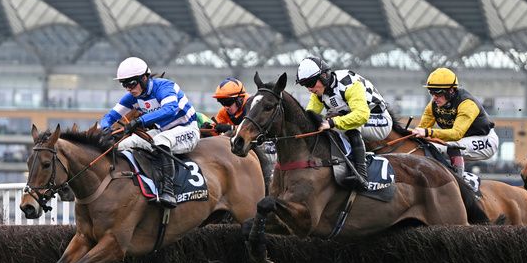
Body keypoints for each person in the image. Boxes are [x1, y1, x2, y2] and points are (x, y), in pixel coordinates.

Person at [98, 57, 199, 208]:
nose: (128, 88)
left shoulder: (164, 86)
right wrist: (105, 128)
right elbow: (110, 116)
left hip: (187, 130)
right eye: (124, 84)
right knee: (123, 145)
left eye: (131, 83)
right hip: (162, 131)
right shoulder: (132, 97)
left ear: (144, 78)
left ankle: (168, 191)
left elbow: (170, 109)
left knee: (162, 140)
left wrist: (140, 121)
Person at [296, 55, 392, 191]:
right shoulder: (319, 91)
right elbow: (309, 116)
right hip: (358, 118)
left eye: (310, 84)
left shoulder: (349, 84)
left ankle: (361, 176)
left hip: (379, 120)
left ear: (324, 76)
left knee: (348, 126)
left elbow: (361, 115)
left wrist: (332, 122)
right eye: (305, 85)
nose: (309, 89)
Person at [409, 68, 499, 176]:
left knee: (451, 146)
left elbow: (456, 134)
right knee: (424, 145)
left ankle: (458, 182)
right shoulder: (433, 106)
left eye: (438, 93)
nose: (434, 97)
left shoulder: (467, 104)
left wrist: (428, 132)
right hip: (462, 140)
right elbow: (421, 131)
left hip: (486, 140)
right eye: (431, 92)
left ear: (451, 90)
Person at [211, 77, 275, 188]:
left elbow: (249, 130)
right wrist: (210, 130)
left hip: (265, 144)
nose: (226, 106)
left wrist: (229, 128)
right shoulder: (224, 112)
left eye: (228, 102)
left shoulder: (252, 105)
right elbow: (216, 129)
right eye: (222, 102)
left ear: (240, 99)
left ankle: (268, 182)